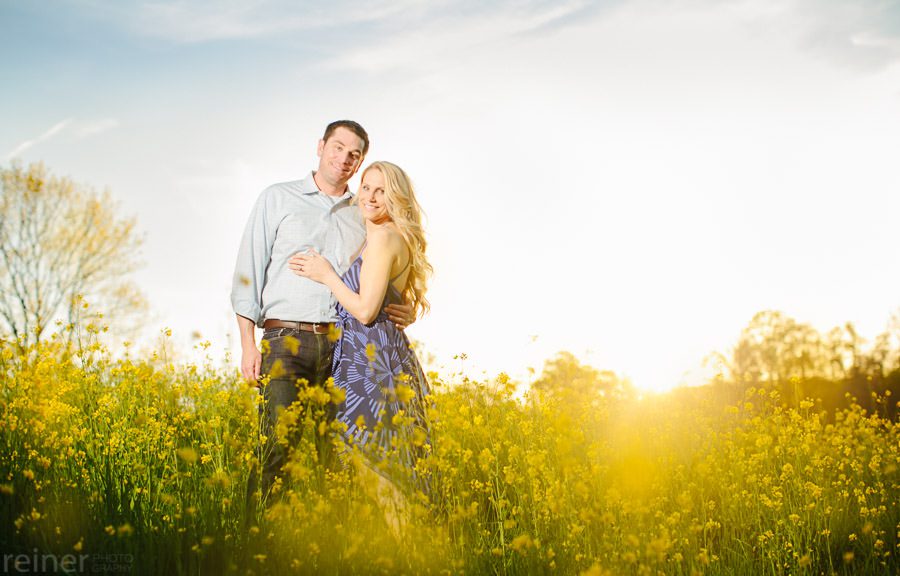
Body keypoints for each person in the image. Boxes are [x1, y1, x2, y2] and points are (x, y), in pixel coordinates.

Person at [231, 121, 413, 501]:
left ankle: (327, 550)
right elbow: (248, 272)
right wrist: (248, 343)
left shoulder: (362, 211)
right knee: (276, 451)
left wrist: (403, 305)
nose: (344, 158)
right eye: (337, 147)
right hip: (285, 341)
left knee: (337, 461)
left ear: (360, 161)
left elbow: (382, 266)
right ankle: (251, 549)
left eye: (354, 154)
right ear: (320, 146)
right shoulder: (277, 198)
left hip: (342, 348)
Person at [287, 161, 432, 476]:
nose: (371, 197)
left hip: (372, 366)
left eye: (382, 191)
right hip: (378, 358)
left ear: (397, 197)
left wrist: (327, 275)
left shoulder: (383, 237)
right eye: (366, 187)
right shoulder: (387, 235)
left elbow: (366, 310)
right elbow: (385, 298)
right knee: (390, 477)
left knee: (380, 477)